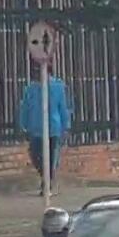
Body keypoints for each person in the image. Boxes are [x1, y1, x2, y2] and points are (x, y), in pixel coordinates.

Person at [18, 62, 74, 196]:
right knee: (35, 155)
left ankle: (48, 185)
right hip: (35, 128)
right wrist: (23, 125)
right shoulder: (31, 89)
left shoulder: (57, 86)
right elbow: (25, 108)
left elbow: (63, 108)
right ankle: (46, 178)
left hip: (54, 128)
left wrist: (66, 127)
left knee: (51, 158)